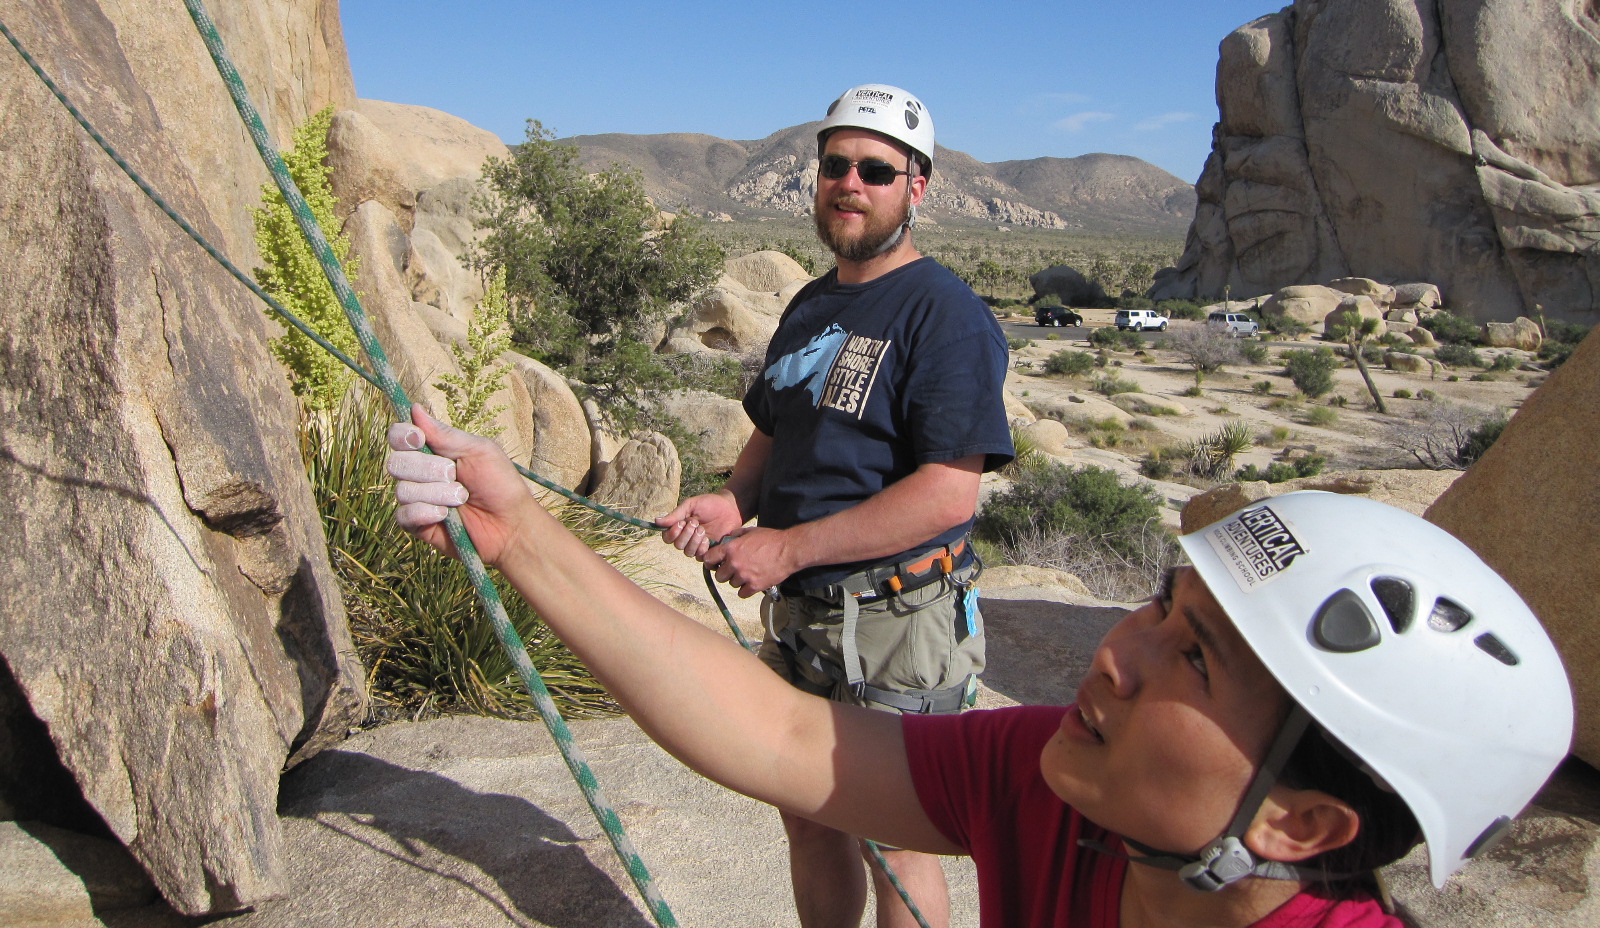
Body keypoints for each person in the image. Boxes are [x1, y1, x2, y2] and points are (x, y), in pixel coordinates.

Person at [387, 421, 1574, 928]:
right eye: (1163, 607)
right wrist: (518, 538)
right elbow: (796, 743)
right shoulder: (1063, 796)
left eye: (1193, 659)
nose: (1115, 652)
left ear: (1302, 822)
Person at [652, 84, 1014, 927]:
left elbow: (947, 493)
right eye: (835, 166)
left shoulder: (947, 316)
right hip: (807, 616)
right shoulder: (813, 302)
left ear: (916, 186)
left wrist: (786, 549)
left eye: (876, 170)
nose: (850, 183)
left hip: (895, 623)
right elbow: (775, 428)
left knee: (895, 845)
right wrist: (732, 501)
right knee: (809, 818)